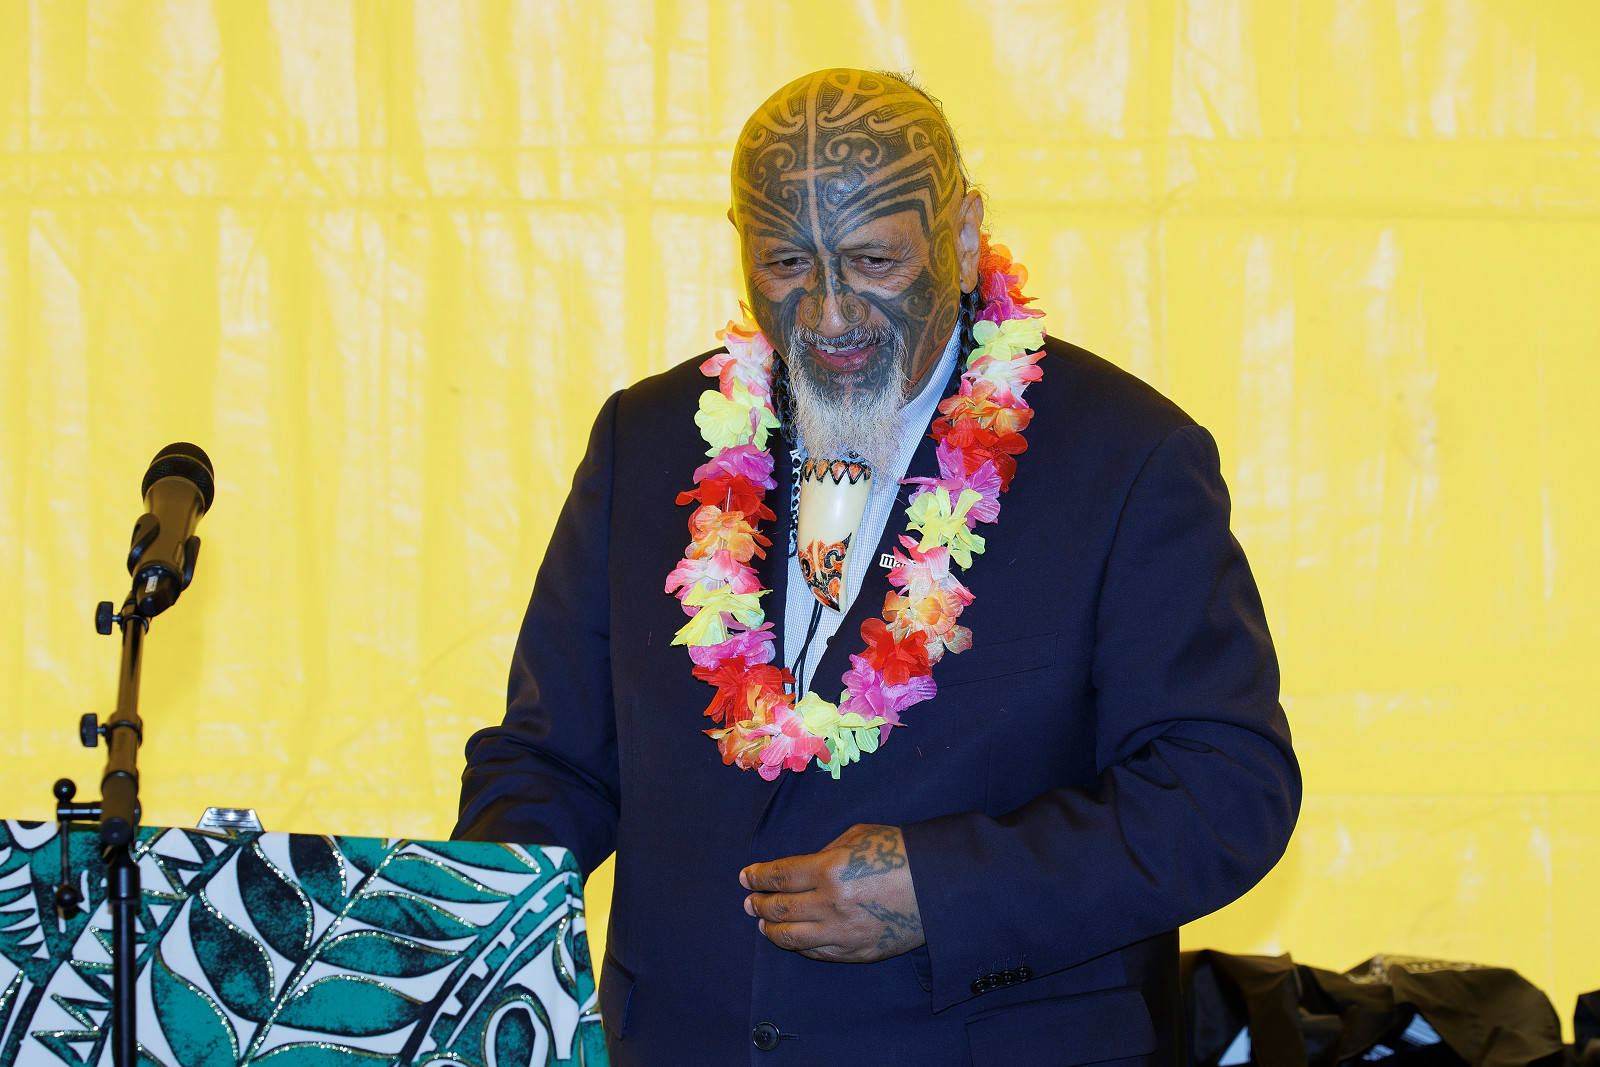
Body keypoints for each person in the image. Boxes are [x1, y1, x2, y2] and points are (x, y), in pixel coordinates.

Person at [456, 67, 1300, 1066]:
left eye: (873, 258)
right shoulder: (648, 441)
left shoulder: (1125, 458)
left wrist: (943, 889)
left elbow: (1224, 791)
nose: (828, 313)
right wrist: (456, 934)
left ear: (963, 234)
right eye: (784, 262)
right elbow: (549, 759)